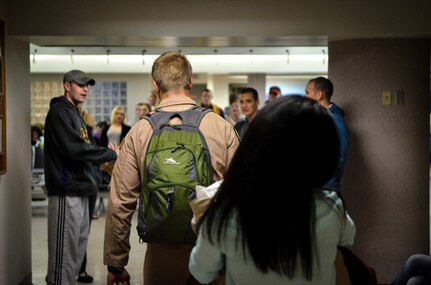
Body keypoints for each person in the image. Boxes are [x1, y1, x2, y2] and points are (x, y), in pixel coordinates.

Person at [103, 51, 240, 285]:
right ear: (190, 82)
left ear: (155, 85)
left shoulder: (140, 130)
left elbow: (120, 201)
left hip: (159, 254)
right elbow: (242, 191)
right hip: (211, 252)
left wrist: (116, 263)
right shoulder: (220, 126)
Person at [189, 95, 356, 285]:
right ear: (324, 155)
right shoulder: (332, 207)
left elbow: (201, 272)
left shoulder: (224, 211)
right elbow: (348, 237)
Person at [44, 69, 118, 285]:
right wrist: (110, 153)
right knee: (63, 258)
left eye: (88, 85)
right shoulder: (59, 112)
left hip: (82, 191)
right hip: (66, 193)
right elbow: (75, 149)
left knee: (75, 256)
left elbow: (85, 149)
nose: (85, 89)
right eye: (80, 84)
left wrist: (104, 157)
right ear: (67, 86)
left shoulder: (76, 113)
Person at [305, 76, 349, 191]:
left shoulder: (335, 120)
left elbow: (340, 157)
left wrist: (323, 181)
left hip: (325, 187)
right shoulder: (317, 118)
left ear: (319, 95)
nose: (305, 97)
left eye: (307, 92)